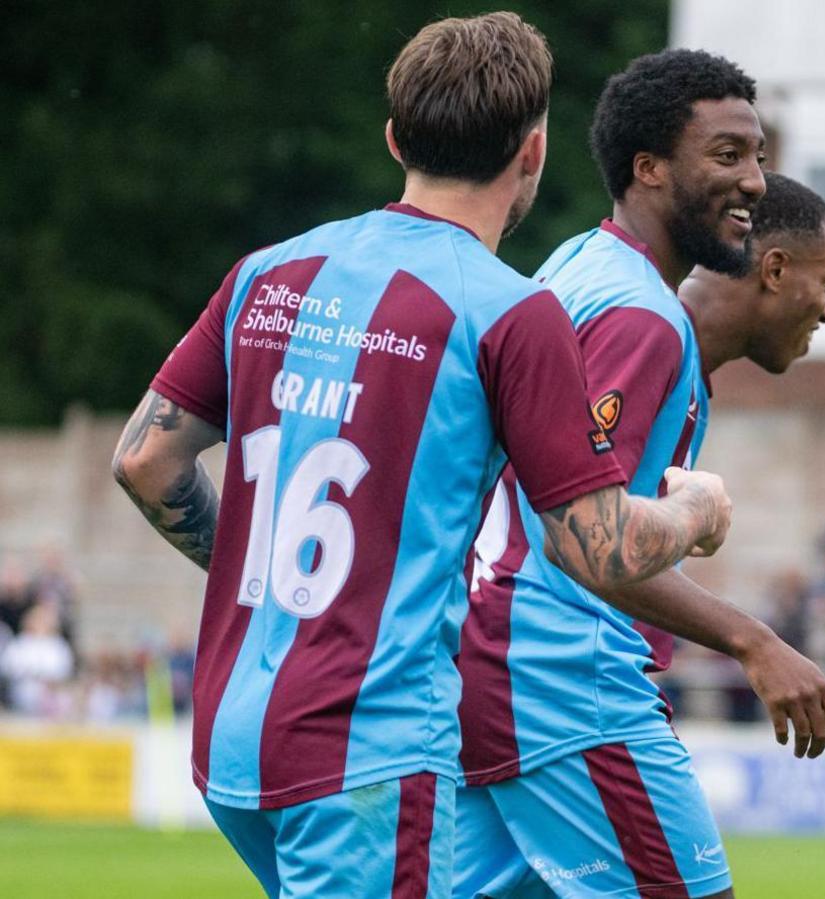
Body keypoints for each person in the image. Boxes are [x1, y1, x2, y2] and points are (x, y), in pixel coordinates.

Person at [110, 15, 731, 899]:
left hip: (233, 729)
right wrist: (696, 510)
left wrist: (274, 586)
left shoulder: (270, 272)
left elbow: (145, 462)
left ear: (396, 138)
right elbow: (598, 548)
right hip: (366, 747)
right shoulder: (511, 313)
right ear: (533, 151)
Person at [451, 56, 825, 898]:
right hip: (562, 677)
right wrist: (755, 638)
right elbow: (586, 544)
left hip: (497, 665)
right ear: (650, 169)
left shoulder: (580, 266)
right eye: (728, 156)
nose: (753, 180)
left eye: (758, 156)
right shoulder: (640, 316)